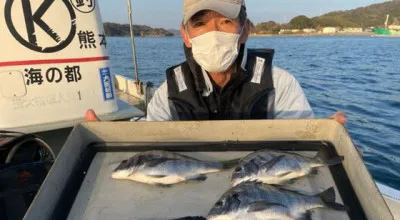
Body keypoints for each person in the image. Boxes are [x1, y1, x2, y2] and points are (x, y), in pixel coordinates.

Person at [86, 0, 347, 124]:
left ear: (244, 30)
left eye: (225, 21)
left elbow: (303, 139)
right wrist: (109, 139)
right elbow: (150, 136)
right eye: (199, 23)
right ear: (186, 35)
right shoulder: (171, 90)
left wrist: (331, 138)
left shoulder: (280, 84)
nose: (213, 34)